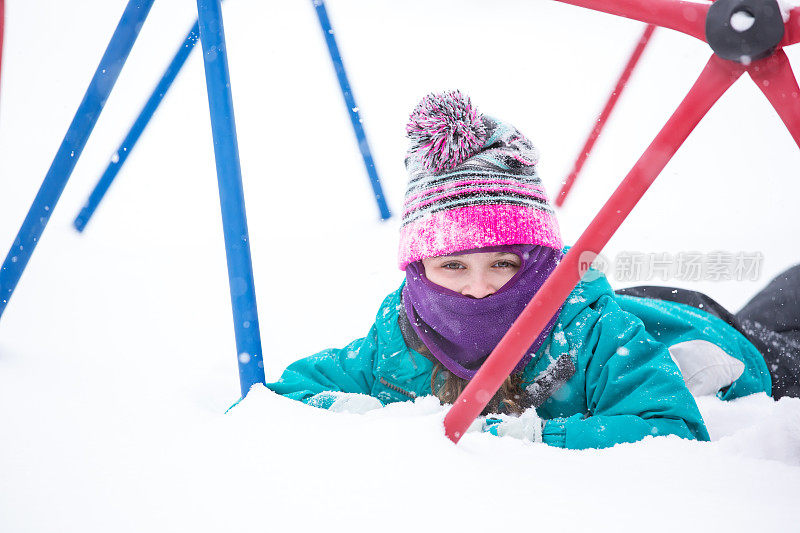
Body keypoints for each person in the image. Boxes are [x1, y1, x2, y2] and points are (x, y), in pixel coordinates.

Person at [266, 90, 799, 450]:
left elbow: (671, 428)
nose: (478, 288)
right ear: (418, 269)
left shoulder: (591, 333)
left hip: (713, 339)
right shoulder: (398, 338)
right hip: (645, 310)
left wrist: (531, 437)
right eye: (453, 265)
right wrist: (373, 426)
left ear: (542, 261)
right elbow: (289, 395)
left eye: (504, 262)